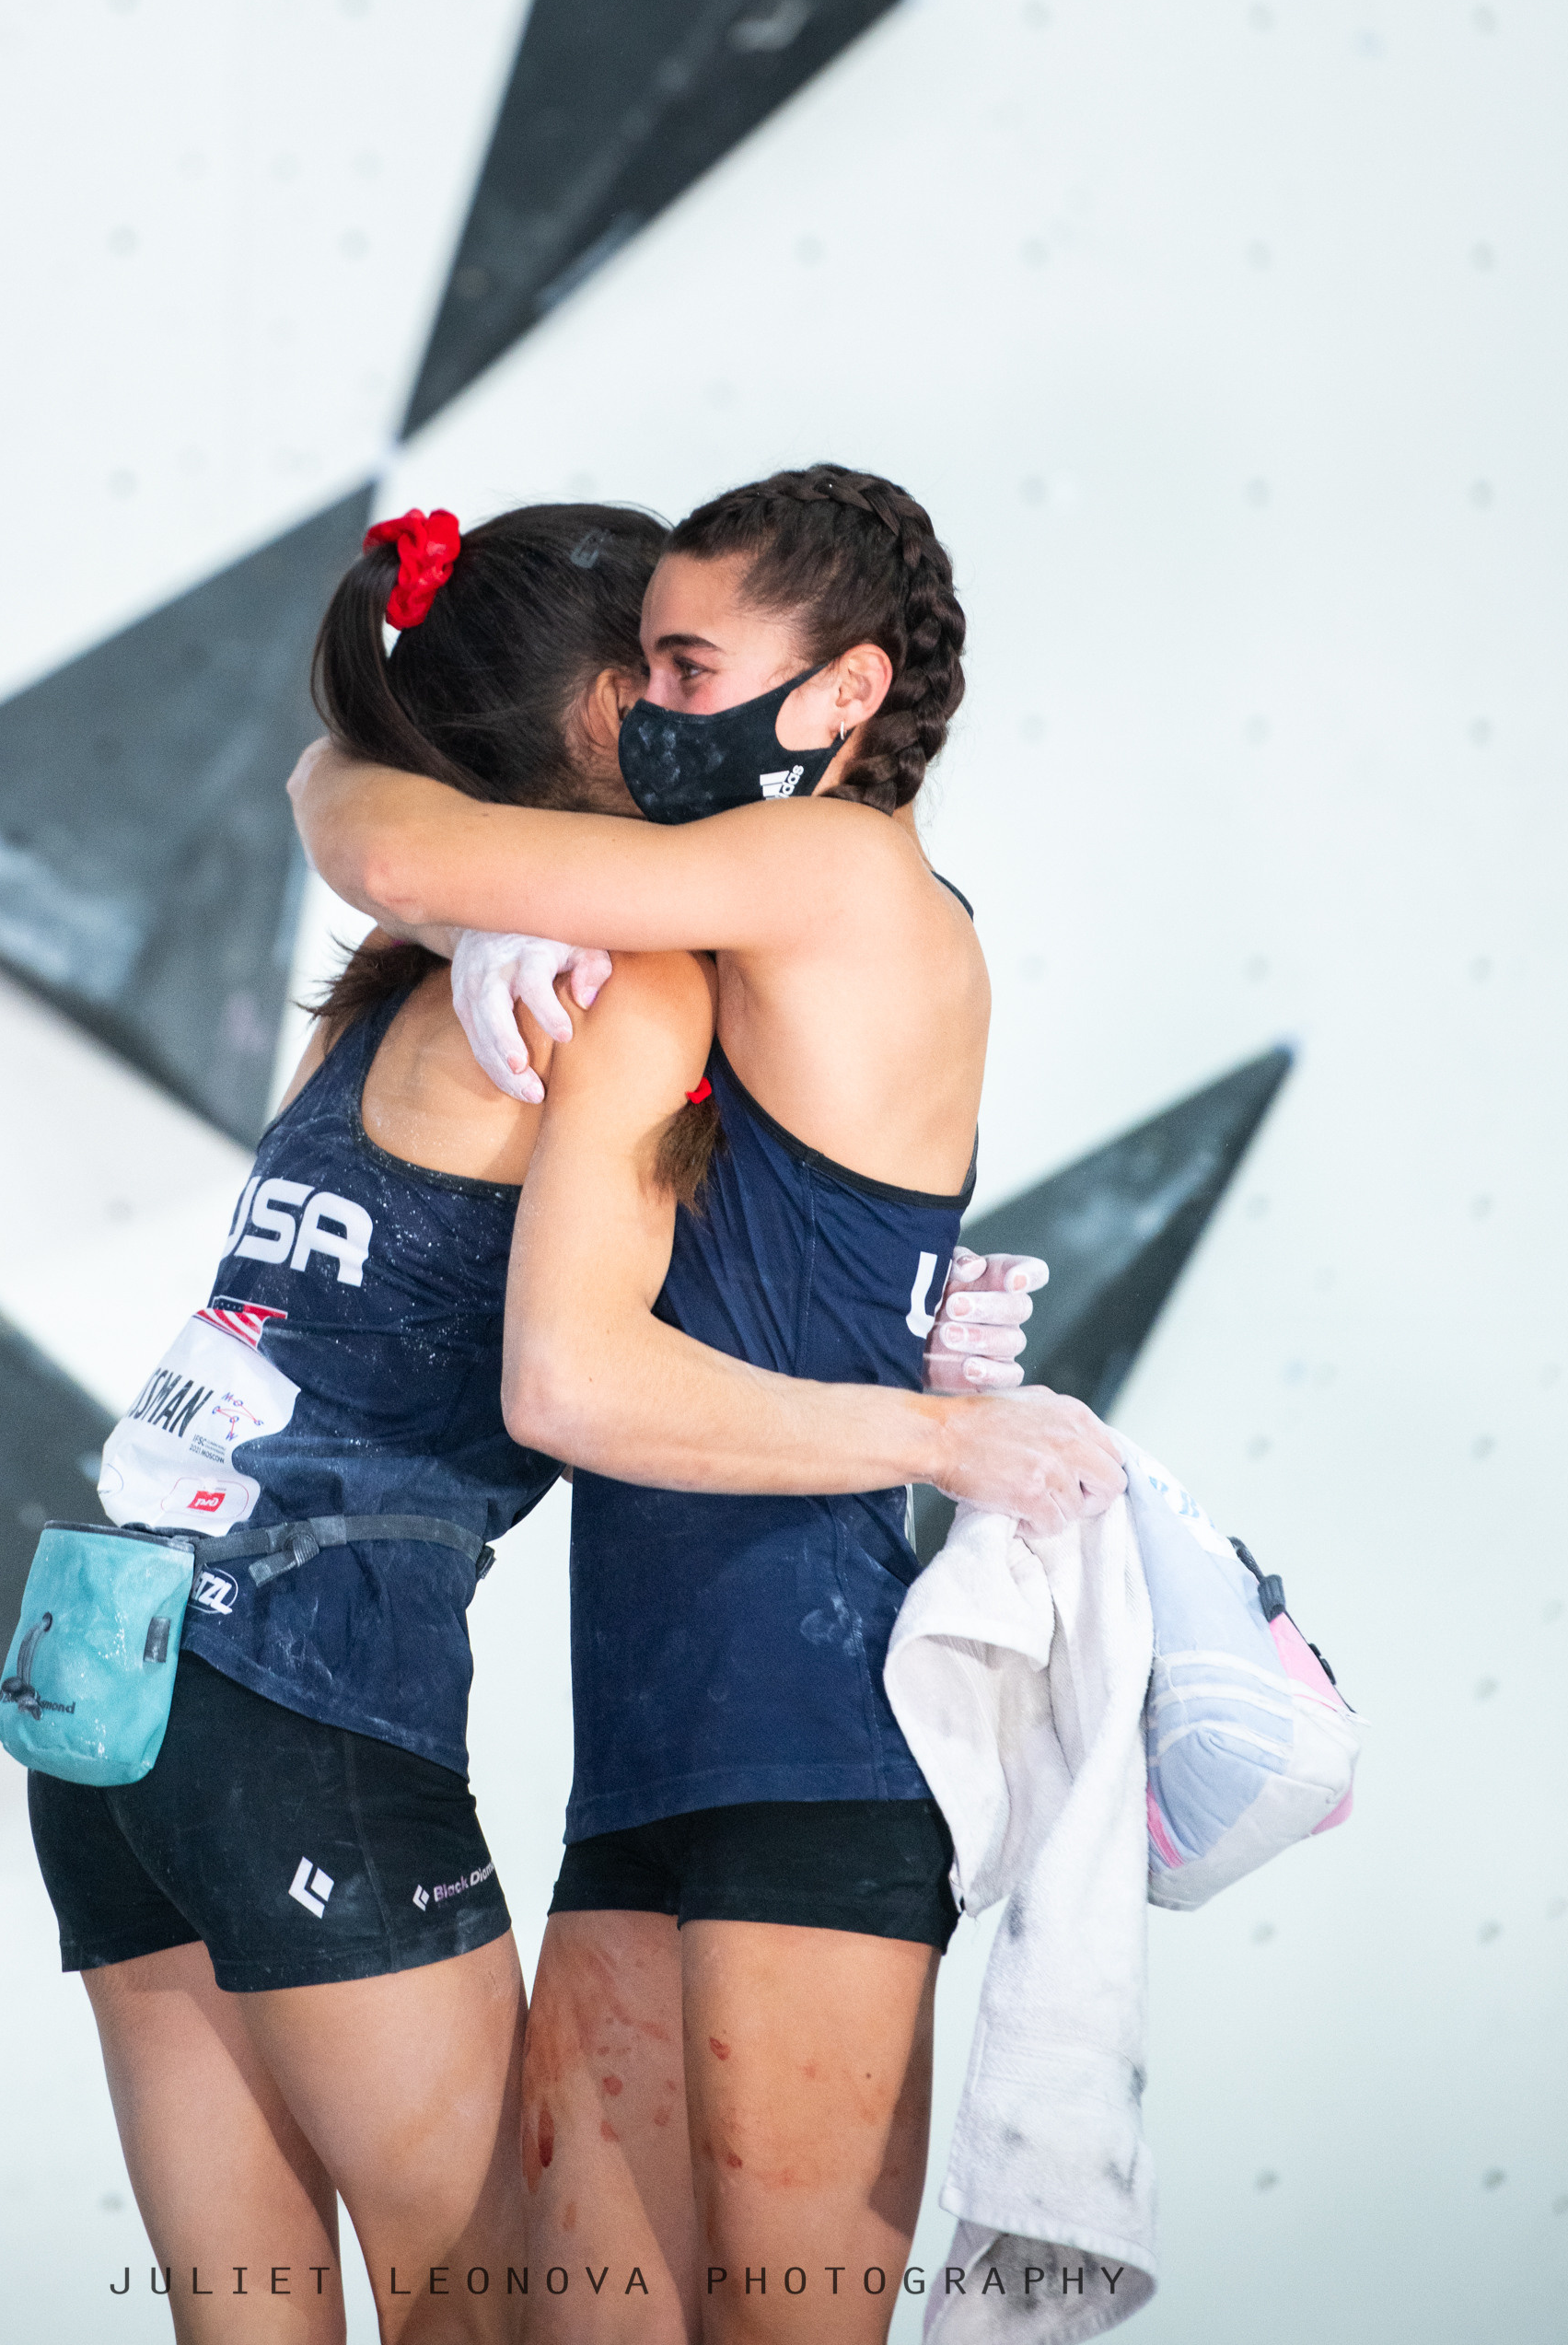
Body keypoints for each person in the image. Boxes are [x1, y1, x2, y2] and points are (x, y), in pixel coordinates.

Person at [291, 464, 1127, 2343]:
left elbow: (403, 853)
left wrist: (321, 764)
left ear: (835, 694)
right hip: (652, 1756)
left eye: (683, 668)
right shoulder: (720, 941)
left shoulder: (830, 860)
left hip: (814, 1743)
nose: (647, 716)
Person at [26, 501, 668, 2345]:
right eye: (687, 676)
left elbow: (347, 788)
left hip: (109, 1661)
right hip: (299, 1695)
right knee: (497, 2305)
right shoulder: (571, 991)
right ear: (617, 710)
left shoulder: (391, 976)